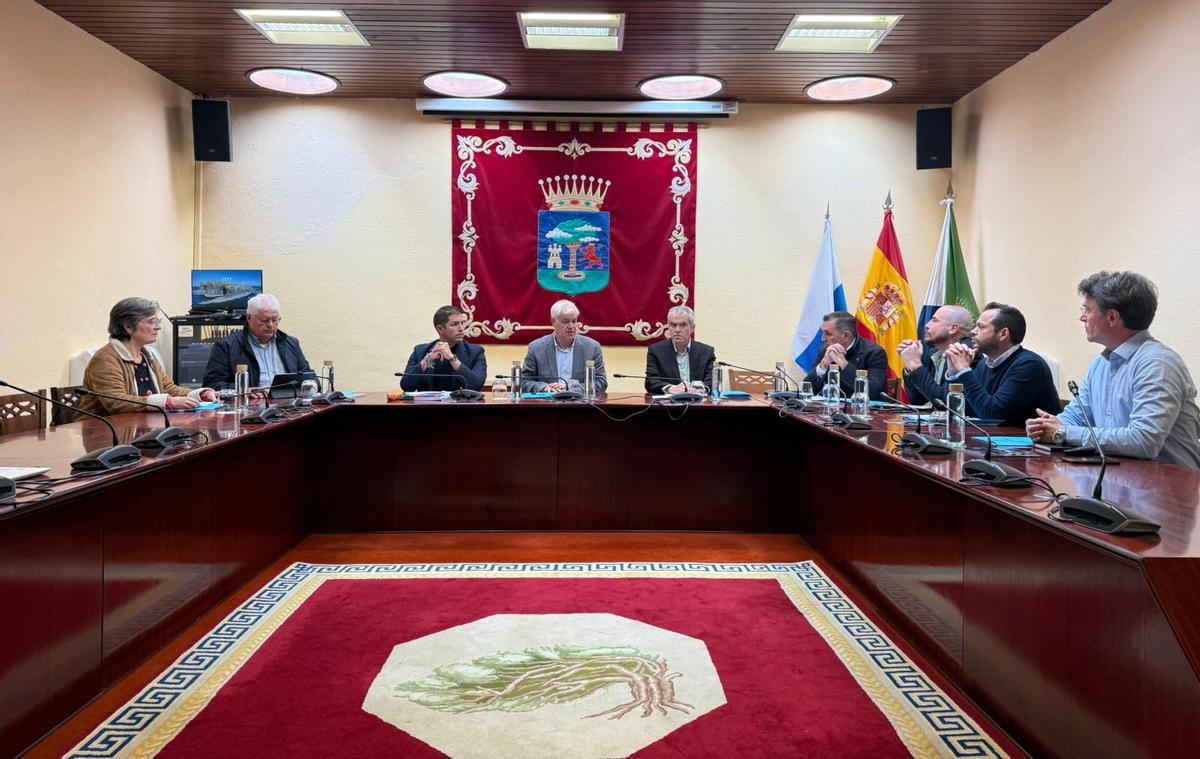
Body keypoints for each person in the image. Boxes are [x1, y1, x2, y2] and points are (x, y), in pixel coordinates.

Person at [1026, 271, 1200, 467]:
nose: (1082, 318)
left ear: (1112, 317)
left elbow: (1143, 441)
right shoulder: (1100, 363)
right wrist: (1046, 425)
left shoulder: (1157, 364)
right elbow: (1078, 416)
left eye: (1087, 310)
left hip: (1168, 489)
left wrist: (1062, 432)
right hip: (1116, 479)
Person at [81, 297, 217, 416]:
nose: (158, 327)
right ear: (128, 327)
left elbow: (170, 389)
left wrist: (200, 395)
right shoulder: (105, 359)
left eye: (158, 321)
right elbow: (117, 402)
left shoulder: (147, 356)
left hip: (140, 428)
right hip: (103, 435)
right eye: (151, 322)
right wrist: (168, 402)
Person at [941, 302, 1061, 427]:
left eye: (981, 327)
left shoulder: (1029, 365)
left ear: (1003, 334)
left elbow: (992, 415)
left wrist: (964, 370)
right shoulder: (983, 365)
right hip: (992, 441)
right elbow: (960, 412)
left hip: (1028, 444)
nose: (973, 332)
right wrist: (953, 372)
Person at [203, 293, 313, 393]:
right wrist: (243, 391)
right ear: (249, 318)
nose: (270, 325)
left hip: (290, 407)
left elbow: (310, 378)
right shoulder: (226, 346)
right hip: (250, 408)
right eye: (264, 320)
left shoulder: (291, 344)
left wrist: (312, 386)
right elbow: (212, 385)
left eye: (275, 320)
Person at [521, 300, 608, 394]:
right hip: (547, 404)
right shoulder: (536, 348)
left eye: (574, 321)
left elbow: (601, 382)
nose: (571, 326)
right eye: (566, 322)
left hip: (580, 405)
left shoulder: (592, 347)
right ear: (553, 322)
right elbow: (524, 381)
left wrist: (570, 388)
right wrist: (544, 387)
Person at [898, 304, 975, 405]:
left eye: (934, 320)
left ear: (953, 328)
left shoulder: (965, 353)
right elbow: (918, 401)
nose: (926, 325)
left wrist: (915, 365)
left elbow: (944, 402)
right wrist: (910, 367)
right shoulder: (934, 353)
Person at [400, 305, 487, 392]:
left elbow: (476, 385)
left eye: (462, 323)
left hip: (460, 405)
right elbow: (406, 386)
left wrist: (452, 358)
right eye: (455, 324)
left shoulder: (475, 352)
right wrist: (428, 359)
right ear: (440, 329)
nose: (461, 328)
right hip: (428, 405)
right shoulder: (420, 351)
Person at [803, 311, 888, 399]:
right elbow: (806, 391)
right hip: (832, 409)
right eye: (823, 333)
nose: (823, 338)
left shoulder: (875, 353)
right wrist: (823, 365)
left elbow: (874, 392)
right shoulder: (824, 350)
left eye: (828, 333)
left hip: (863, 410)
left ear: (846, 336)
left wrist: (843, 364)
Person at [644, 306, 716, 394]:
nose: (677, 330)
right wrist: (670, 388)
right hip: (668, 405)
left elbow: (712, 381)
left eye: (683, 325)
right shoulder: (656, 351)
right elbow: (650, 382)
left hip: (698, 404)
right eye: (673, 325)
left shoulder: (706, 352)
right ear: (669, 327)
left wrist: (700, 389)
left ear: (692, 328)